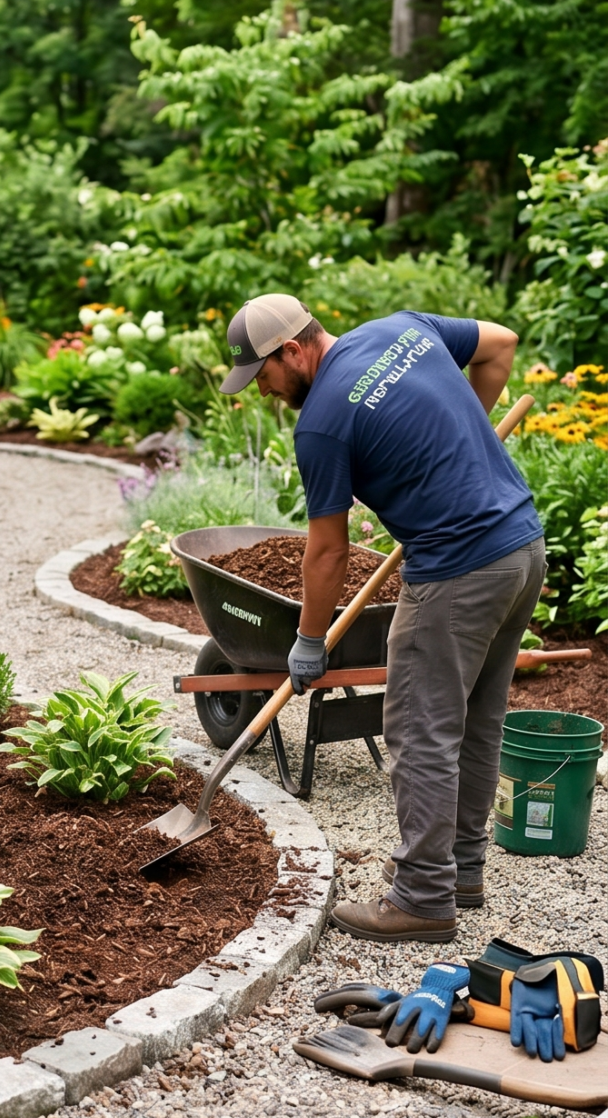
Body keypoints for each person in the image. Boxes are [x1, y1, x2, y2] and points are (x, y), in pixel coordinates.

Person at [218, 292, 541, 943]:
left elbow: (327, 550)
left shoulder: (323, 423)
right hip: (521, 550)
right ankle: (464, 872)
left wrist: (310, 640)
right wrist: (453, 442)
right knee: (478, 720)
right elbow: (501, 344)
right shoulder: (404, 329)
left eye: (265, 377)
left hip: (458, 568)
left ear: (292, 350)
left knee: (421, 730)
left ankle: (423, 897)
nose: (264, 393)